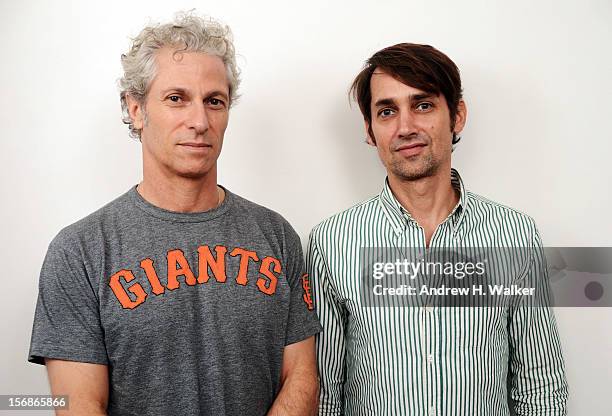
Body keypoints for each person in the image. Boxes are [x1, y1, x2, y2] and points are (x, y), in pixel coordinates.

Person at [28, 12, 321, 416]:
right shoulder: (79, 251)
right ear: (136, 110)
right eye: (176, 98)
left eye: (214, 101)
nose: (199, 121)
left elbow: (301, 377)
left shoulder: (276, 235)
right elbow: (79, 405)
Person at [307, 43, 568, 415]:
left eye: (423, 105)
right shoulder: (331, 242)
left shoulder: (515, 234)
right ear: (370, 130)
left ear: (457, 115)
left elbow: (540, 385)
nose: (406, 127)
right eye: (387, 111)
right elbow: (326, 394)